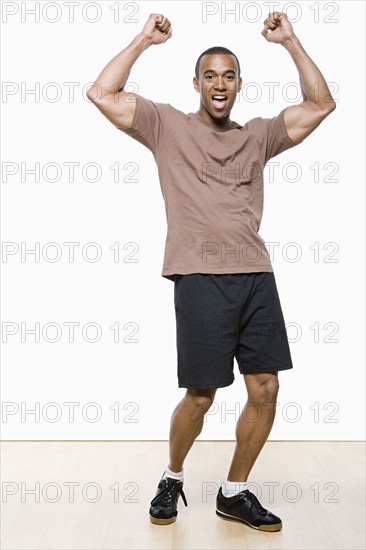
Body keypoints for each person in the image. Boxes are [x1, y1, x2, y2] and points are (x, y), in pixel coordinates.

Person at [87, 11, 336, 532]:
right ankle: (173, 476)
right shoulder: (165, 125)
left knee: (265, 387)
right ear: (196, 83)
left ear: (239, 84)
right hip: (199, 278)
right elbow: (102, 93)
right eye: (210, 75)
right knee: (201, 395)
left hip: (256, 277)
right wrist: (143, 41)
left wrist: (290, 40)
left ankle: (234, 491)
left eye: (228, 76)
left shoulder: (261, 136)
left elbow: (321, 104)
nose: (219, 84)